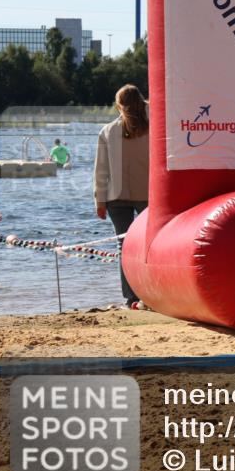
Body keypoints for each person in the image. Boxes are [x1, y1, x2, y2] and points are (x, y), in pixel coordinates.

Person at [94, 85, 150, 308]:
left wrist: (99, 201)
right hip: (147, 193)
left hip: (115, 196)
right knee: (149, 246)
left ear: (118, 105)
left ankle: (131, 297)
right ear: (142, 102)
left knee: (123, 246)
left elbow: (101, 170)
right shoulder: (154, 129)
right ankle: (151, 293)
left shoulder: (107, 131)